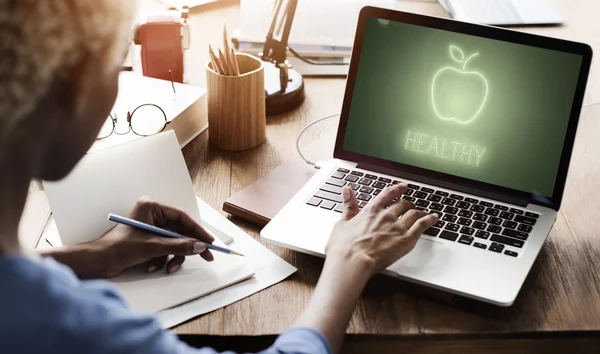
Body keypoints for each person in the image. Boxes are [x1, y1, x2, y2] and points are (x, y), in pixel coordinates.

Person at [0, 1, 438, 354]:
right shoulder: (76, 328)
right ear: (71, 88)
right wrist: (348, 262)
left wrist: (93, 255)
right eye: (117, 66)